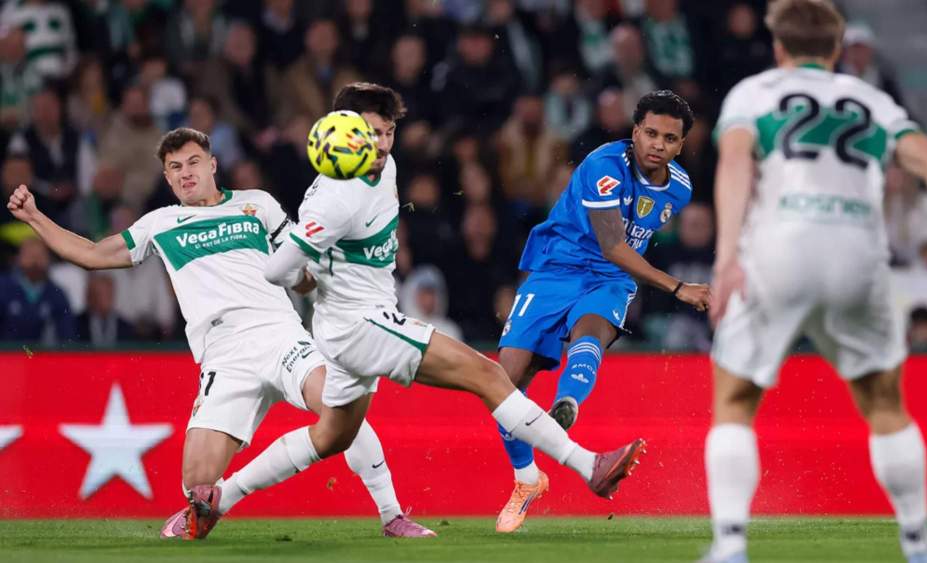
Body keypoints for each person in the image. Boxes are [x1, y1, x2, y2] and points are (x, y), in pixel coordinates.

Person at [6, 127, 435, 540]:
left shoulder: (257, 204)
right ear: (167, 178)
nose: (185, 172)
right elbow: (92, 254)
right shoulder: (160, 223)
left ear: (213, 165)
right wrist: (34, 216)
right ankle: (215, 501)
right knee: (196, 488)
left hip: (279, 335)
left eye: (193, 162)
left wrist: (305, 280)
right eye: (175, 167)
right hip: (224, 356)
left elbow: (300, 268)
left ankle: (392, 514)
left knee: (339, 407)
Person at [258, 82, 647, 532]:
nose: (381, 144)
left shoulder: (379, 168)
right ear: (340, 131)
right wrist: (301, 276)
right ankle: (588, 466)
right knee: (487, 374)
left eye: (387, 132)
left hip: (347, 322)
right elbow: (276, 270)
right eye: (370, 133)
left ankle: (221, 498)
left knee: (332, 435)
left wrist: (309, 274)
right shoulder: (337, 196)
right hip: (359, 323)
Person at [704, 2, 927, 562]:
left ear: (779, 49)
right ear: (836, 52)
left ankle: (731, 545)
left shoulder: (755, 92)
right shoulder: (873, 101)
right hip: (857, 255)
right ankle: (916, 543)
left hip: (779, 250)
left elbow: (736, 162)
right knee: (885, 403)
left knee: (736, 400)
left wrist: (725, 255)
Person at [492, 89, 711, 533]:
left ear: (681, 145)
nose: (658, 144)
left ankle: (567, 402)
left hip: (610, 279)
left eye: (669, 139)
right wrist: (677, 287)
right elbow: (613, 245)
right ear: (634, 132)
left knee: (590, 330)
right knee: (504, 382)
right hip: (558, 266)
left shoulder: (681, 188)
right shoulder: (602, 167)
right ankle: (526, 480)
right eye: (650, 133)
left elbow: (630, 244)